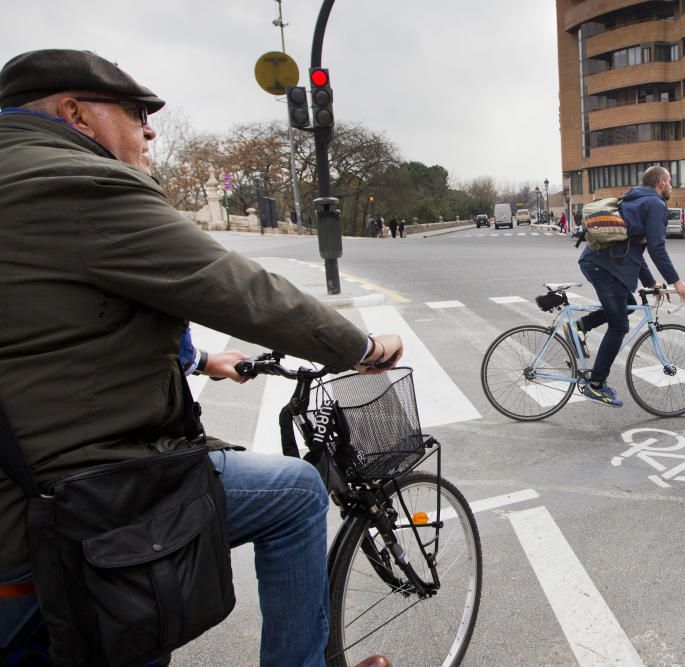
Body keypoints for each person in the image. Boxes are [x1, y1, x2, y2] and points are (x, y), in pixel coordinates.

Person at [0, 49, 400, 667]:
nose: (150, 128)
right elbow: (231, 286)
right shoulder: (76, 182)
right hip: (66, 501)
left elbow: (64, 320)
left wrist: (202, 358)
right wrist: (360, 346)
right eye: (136, 113)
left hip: (27, 473)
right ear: (75, 112)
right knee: (295, 492)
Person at [570, 165, 685, 407]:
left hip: (600, 264)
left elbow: (634, 248)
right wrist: (676, 282)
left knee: (627, 305)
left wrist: (651, 283)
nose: (671, 185)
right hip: (603, 267)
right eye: (669, 181)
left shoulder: (634, 197)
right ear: (661, 183)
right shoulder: (655, 204)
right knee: (619, 325)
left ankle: (580, 326)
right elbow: (657, 249)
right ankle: (596, 385)